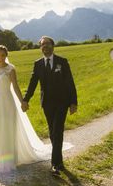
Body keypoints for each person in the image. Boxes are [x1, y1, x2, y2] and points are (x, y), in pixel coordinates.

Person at [0, 45, 52, 172]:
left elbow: (15, 87)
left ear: (6, 56)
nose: (0, 58)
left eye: (3, 55)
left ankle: (7, 159)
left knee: (7, 129)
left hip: (7, 102)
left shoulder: (10, 69)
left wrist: (22, 102)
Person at [22, 36, 77, 176]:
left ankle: (55, 165)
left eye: (47, 44)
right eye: (42, 44)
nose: (44, 46)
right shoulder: (38, 64)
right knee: (53, 133)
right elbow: (32, 83)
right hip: (47, 104)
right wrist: (26, 99)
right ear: (40, 48)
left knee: (57, 131)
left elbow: (69, 82)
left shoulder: (62, 62)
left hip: (62, 103)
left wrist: (73, 102)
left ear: (53, 46)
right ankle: (60, 162)